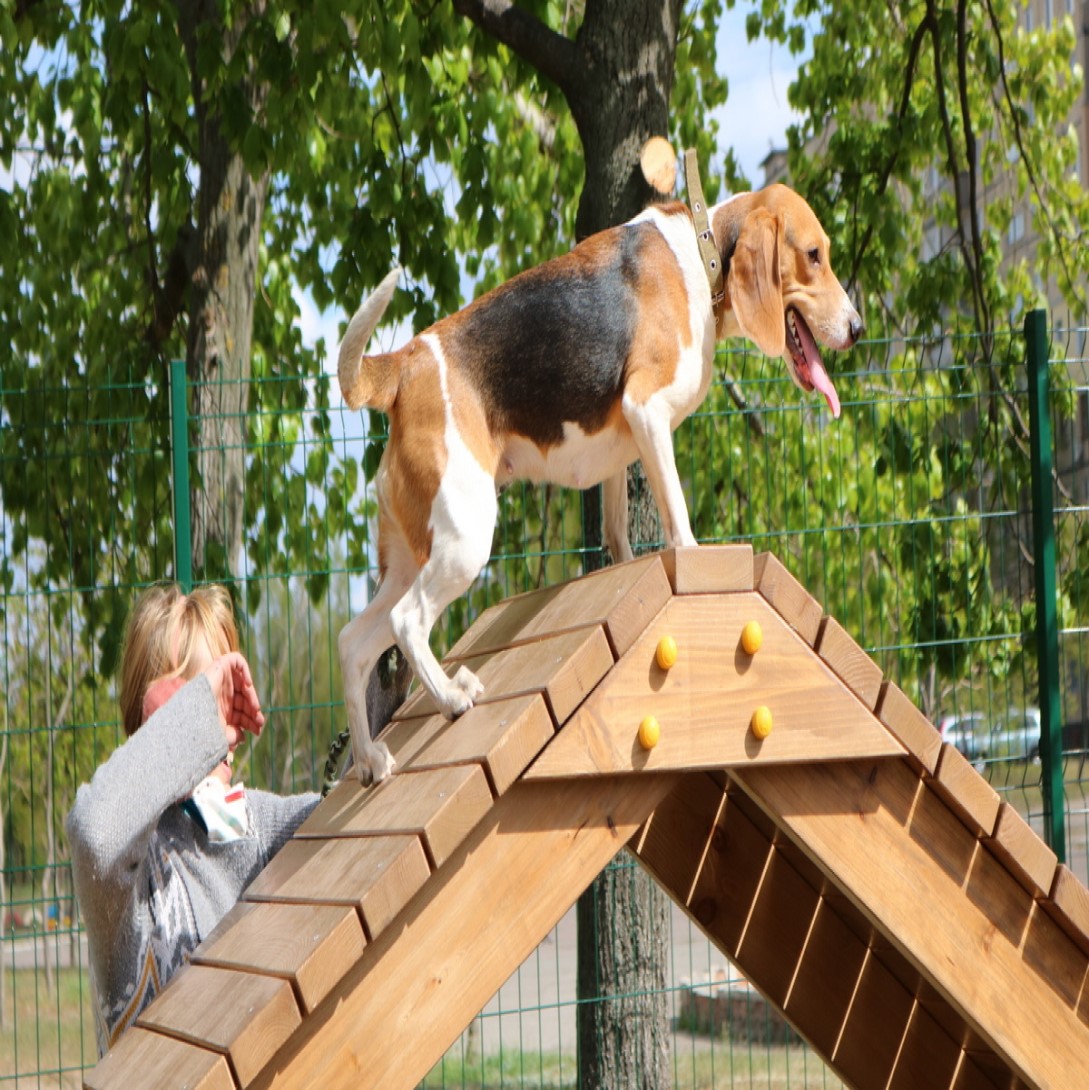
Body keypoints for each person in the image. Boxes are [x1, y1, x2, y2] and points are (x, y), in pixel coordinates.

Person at [66, 583, 321, 1056]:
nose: (225, 723)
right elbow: (95, 837)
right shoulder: (134, 875)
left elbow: (344, 821)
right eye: (206, 700)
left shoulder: (244, 824)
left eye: (228, 694)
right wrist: (194, 729)